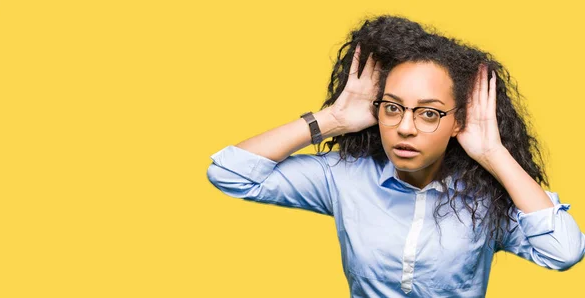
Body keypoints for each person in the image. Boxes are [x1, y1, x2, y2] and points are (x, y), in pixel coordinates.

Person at [206, 15, 585, 297]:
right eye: (392, 107)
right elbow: (230, 172)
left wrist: (493, 152)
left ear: (459, 122)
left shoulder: (484, 200)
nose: (405, 127)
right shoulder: (344, 177)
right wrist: (333, 119)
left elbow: (564, 252)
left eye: (429, 112)